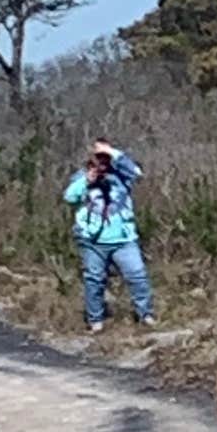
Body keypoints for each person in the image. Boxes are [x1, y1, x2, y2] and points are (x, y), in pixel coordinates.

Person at [63, 138, 152, 330]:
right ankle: (95, 320)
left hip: (123, 239)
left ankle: (145, 315)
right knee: (94, 280)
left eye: (105, 157)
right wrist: (87, 181)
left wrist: (114, 152)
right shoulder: (82, 177)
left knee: (137, 275)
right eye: (98, 157)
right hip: (93, 241)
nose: (102, 163)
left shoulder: (122, 175)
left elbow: (138, 173)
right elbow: (69, 197)